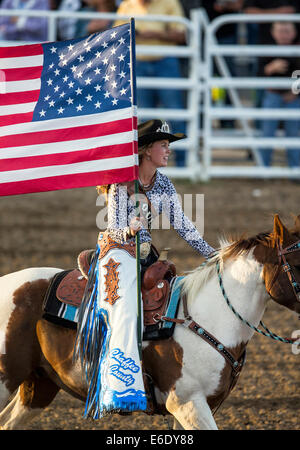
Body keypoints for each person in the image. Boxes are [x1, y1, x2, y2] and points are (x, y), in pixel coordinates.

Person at [75, 119, 215, 419]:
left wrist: (211, 253)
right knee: (126, 309)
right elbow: (112, 229)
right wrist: (129, 229)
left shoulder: (162, 182)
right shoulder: (121, 181)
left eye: (168, 146)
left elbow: (183, 225)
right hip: (116, 253)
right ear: (146, 149)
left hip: (144, 254)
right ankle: (120, 382)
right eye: (163, 145)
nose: (168, 151)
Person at [114, 0, 188, 167]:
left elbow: (182, 33)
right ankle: (151, 163)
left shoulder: (168, 3)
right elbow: (118, 34)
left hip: (163, 62)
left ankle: (182, 161)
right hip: (142, 62)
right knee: (147, 119)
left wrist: (152, 35)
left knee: (174, 113)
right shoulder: (127, 5)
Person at [259, 21, 300, 167]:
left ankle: (295, 169)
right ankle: (263, 167)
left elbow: (298, 72)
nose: (284, 35)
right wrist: (269, 69)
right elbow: (256, 75)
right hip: (272, 94)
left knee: (293, 133)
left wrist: (294, 91)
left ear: (294, 33)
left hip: (293, 97)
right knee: (267, 133)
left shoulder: (297, 50)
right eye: (280, 31)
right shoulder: (267, 50)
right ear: (273, 33)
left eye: (287, 31)